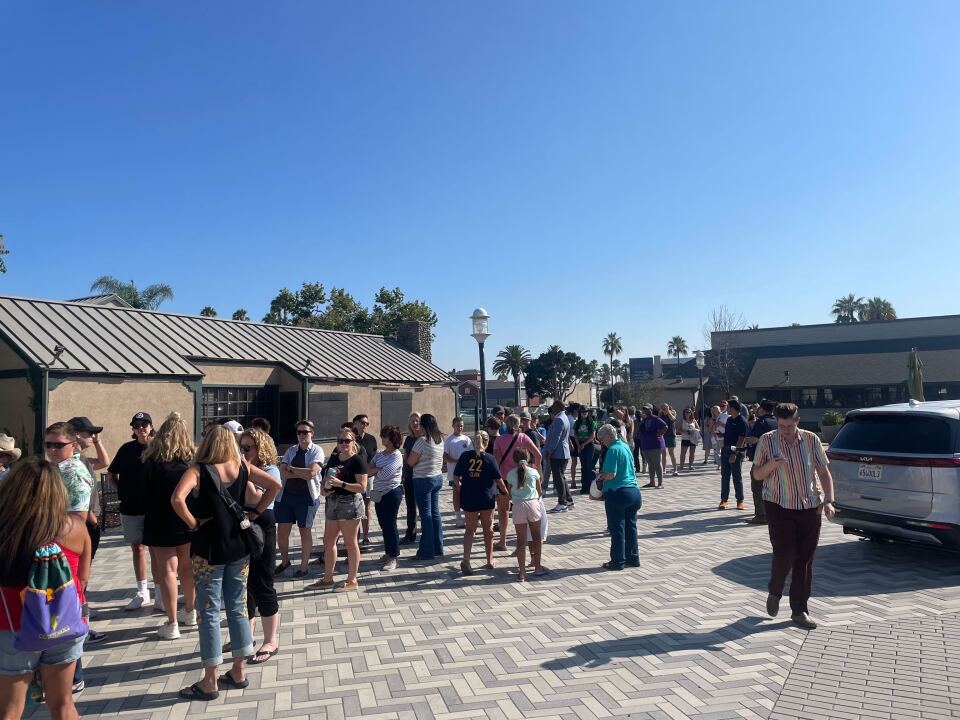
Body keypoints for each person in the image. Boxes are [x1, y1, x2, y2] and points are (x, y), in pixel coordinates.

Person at [172, 426, 280, 701]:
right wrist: (254, 512)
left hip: (209, 548)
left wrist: (193, 523)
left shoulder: (198, 470)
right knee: (238, 607)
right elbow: (275, 486)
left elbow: (176, 499)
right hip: (239, 547)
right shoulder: (240, 466)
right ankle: (239, 670)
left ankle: (209, 680)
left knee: (208, 611)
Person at [0, 458, 89, 719]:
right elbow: (82, 582)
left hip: (12, 626)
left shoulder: (6, 530)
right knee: (63, 705)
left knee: (9, 710)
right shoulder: (76, 528)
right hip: (63, 624)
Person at [752, 403, 835, 630]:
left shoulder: (811, 440)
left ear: (797, 421)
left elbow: (823, 472)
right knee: (785, 553)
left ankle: (799, 610)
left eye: (789, 426)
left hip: (809, 505)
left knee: (805, 559)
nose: (786, 431)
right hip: (779, 505)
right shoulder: (768, 440)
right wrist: (772, 464)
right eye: (781, 426)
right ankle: (775, 589)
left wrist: (828, 500)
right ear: (777, 422)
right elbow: (757, 474)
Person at [43, 423, 96, 695]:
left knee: (67, 612)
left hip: (64, 550)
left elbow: (78, 520)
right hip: (47, 550)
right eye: (48, 444)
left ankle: (74, 675)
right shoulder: (51, 469)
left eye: (58, 445)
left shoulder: (73, 473)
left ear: (73, 445)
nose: (52, 450)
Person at [141, 413, 197, 640]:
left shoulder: (151, 462)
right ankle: (191, 611)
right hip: (185, 519)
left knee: (167, 571)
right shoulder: (191, 463)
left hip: (159, 520)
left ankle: (172, 621)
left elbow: (142, 493)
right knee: (187, 567)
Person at [239, 428, 281, 665]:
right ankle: (247, 636)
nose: (243, 452)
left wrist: (245, 471)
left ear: (260, 449)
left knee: (262, 581)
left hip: (262, 525)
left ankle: (271, 640)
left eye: (248, 448)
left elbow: (256, 497)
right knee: (244, 584)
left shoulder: (269, 470)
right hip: (243, 525)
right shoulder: (242, 468)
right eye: (241, 447)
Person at [308, 429, 368, 592]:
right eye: (340, 441)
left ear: (353, 442)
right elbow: (326, 480)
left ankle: (352, 580)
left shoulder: (357, 461)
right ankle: (328, 578)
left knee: (350, 543)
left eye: (346, 441)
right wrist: (324, 489)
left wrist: (341, 484)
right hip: (332, 501)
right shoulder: (334, 458)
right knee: (328, 541)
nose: (343, 444)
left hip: (349, 503)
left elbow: (362, 487)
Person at [107, 411, 154, 610]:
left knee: (158, 550)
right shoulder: (126, 449)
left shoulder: (158, 449)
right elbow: (111, 474)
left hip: (155, 508)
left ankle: (161, 591)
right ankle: (142, 591)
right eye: (137, 425)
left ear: (151, 426)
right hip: (131, 507)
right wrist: (123, 491)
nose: (141, 428)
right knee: (138, 547)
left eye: (144, 424)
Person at [274, 420, 324, 579]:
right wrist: (300, 472)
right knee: (281, 533)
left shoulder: (317, 451)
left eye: (305, 432)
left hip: (307, 497)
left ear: (312, 434)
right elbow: (282, 472)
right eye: (299, 432)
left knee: (304, 532)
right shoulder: (291, 450)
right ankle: (285, 561)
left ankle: (303, 567)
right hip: (286, 496)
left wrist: (292, 469)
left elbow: (312, 473)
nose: (302, 435)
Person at [453, 431, 505, 575]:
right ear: (487, 442)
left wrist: (459, 487)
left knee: (470, 530)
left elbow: (455, 476)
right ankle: (489, 560)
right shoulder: (490, 458)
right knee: (488, 530)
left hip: (469, 497)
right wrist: (505, 492)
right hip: (486, 497)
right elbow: (498, 479)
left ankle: (466, 559)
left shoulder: (464, 457)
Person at [493, 415, 542, 550]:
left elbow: (496, 462)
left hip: (504, 477)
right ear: (519, 424)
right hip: (523, 477)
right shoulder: (523, 438)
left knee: (503, 511)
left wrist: (494, 479)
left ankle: (502, 541)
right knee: (524, 508)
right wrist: (534, 470)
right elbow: (538, 455)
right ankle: (523, 542)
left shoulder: (499, 440)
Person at [596, 424, 641, 571]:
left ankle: (617, 561)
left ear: (608, 436)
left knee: (617, 529)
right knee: (631, 527)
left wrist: (600, 475)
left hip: (618, 493)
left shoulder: (613, 450)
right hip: (634, 492)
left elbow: (611, 474)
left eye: (602, 440)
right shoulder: (625, 446)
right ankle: (633, 558)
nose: (602, 443)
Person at [505, 449, 547, 582]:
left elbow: (509, 493)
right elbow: (540, 491)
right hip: (533, 504)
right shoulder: (534, 472)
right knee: (536, 537)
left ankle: (522, 573)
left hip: (518, 506)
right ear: (528, 458)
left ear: (514, 460)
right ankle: (537, 567)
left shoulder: (510, 474)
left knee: (520, 541)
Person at [407, 414, 445, 561]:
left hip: (423, 479)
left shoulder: (422, 441)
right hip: (436, 477)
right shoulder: (440, 439)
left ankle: (426, 551)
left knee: (426, 516)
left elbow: (411, 462)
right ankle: (438, 547)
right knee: (435, 514)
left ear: (423, 425)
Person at [368, 426, 404, 571]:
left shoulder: (397, 455)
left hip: (391, 493)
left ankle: (393, 557)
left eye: (385, 436)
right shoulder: (379, 454)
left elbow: (385, 474)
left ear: (393, 439)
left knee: (391, 524)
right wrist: (376, 470)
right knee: (383, 525)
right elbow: (367, 470)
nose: (382, 438)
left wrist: (376, 470)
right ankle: (388, 552)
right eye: (382, 435)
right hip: (378, 493)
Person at [743, 399, 778, 525]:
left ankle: (761, 515)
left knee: (757, 487)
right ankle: (773, 512)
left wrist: (746, 439)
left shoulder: (761, 422)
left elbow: (755, 439)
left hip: (762, 459)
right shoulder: (777, 421)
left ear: (762, 409)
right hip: (776, 459)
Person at [543, 401, 574, 512]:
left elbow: (555, 438)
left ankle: (562, 503)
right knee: (562, 477)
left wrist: (549, 451)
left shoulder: (559, 419)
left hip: (558, 453)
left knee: (558, 478)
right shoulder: (564, 417)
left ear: (559, 407)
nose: (552, 408)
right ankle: (569, 500)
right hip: (562, 452)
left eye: (554, 406)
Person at [352, 414, 378, 545]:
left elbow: (374, 457)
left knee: (367, 505)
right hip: (353, 477)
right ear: (355, 423)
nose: (365, 425)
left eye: (367, 423)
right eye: (362, 423)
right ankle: (353, 536)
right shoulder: (349, 439)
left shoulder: (371, 439)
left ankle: (365, 536)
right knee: (354, 506)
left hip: (368, 477)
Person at [443, 417, 473, 528]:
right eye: (457, 426)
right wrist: (457, 461)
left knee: (467, 494)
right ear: (453, 426)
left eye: (461, 426)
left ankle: (469, 515)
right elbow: (445, 456)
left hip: (467, 473)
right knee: (456, 493)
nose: (460, 428)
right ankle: (458, 517)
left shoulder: (467, 439)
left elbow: (471, 455)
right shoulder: (449, 440)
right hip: (454, 472)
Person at [718, 399, 748, 510]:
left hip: (736, 452)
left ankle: (740, 501)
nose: (727, 409)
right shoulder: (730, 420)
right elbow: (728, 435)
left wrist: (734, 454)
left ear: (733, 408)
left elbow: (741, 439)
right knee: (725, 476)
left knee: (737, 477)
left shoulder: (742, 421)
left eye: (729, 407)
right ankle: (724, 500)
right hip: (725, 450)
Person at [400, 413, 421, 545]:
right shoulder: (408, 439)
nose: (415, 423)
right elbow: (406, 456)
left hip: (421, 476)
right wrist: (403, 473)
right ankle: (410, 534)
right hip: (409, 475)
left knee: (424, 507)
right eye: (412, 421)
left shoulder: (425, 438)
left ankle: (428, 534)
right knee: (411, 507)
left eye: (417, 421)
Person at [637, 405, 667, 488]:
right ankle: (652, 482)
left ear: (651, 409)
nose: (645, 411)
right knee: (650, 464)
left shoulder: (655, 418)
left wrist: (658, 434)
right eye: (644, 409)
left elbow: (665, 427)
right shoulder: (644, 419)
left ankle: (660, 483)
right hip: (645, 445)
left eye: (647, 409)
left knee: (657, 463)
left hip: (655, 445)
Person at [574, 408, 598, 497]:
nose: (584, 413)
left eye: (586, 412)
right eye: (583, 412)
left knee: (589, 466)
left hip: (589, 444)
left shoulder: (592, 422)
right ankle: (584, 487)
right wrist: (578, 445)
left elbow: (593, 436)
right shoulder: (577, 423)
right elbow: (575, 435)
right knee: (583, 467)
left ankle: (592, 487)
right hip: (580, 444)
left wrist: (584, 444)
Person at [659, 404, 678, 476]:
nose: (664, 409)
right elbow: (658, 421)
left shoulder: (673, 412)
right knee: (663, 453)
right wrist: (661, 412)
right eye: (663, 408)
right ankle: (664, 469)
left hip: (670, 435)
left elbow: (673, 419)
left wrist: (668, 411)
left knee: (671, 453)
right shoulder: (661, 414)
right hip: (663, 435)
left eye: (665, 408)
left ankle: (675, 469)